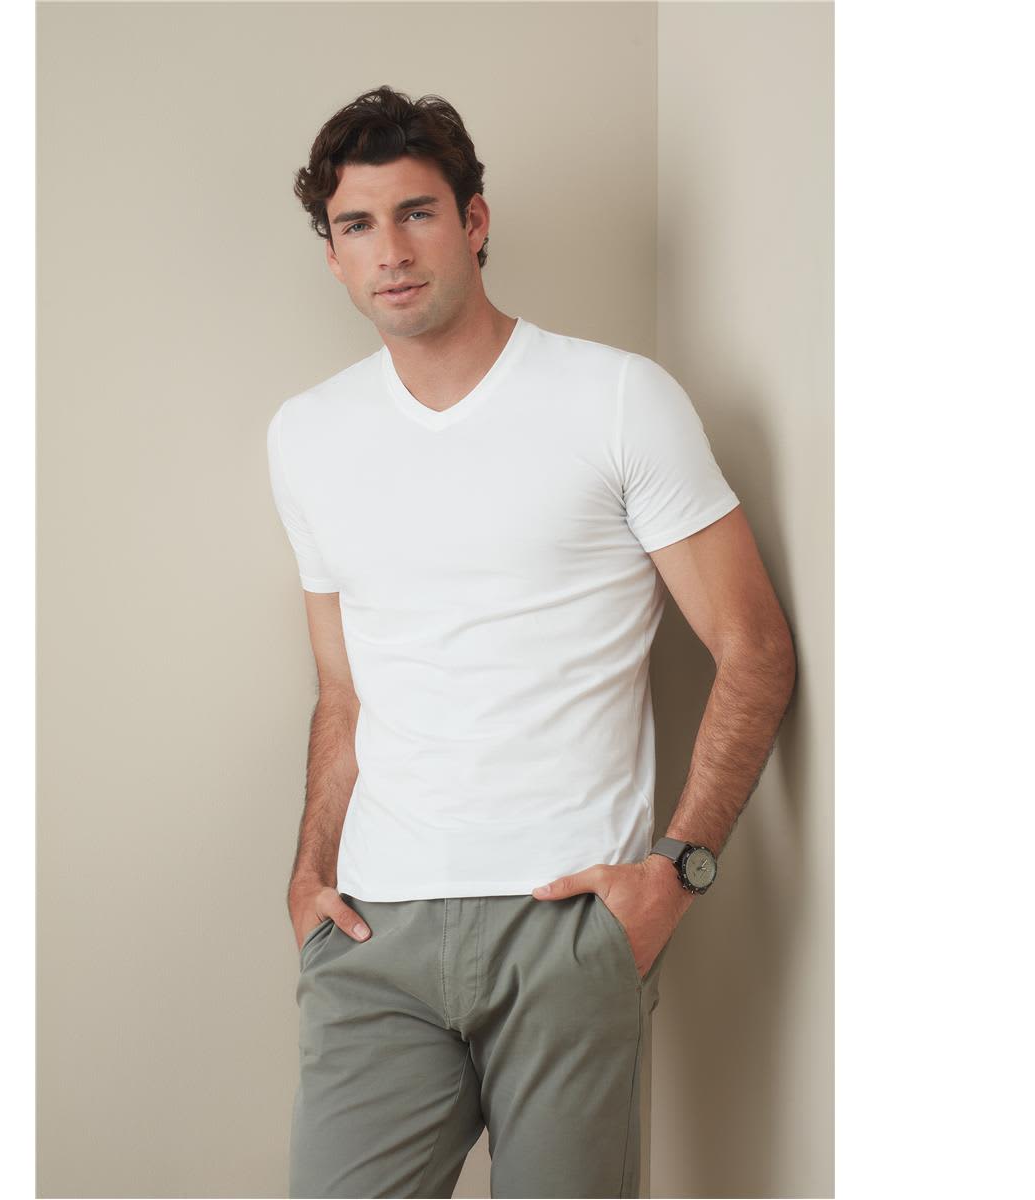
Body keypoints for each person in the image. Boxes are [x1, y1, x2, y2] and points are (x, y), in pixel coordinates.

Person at [266, 85, 796, 1200]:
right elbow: (342, 692)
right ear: (332, 255)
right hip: (373, 935)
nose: (390, 250)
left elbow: (753, 646)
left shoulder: (617, 400)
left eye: (417, 212)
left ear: (475, 221)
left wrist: (677, 874)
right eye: (357, 225)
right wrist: (310, 874)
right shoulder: (307, 436)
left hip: (566, 924)